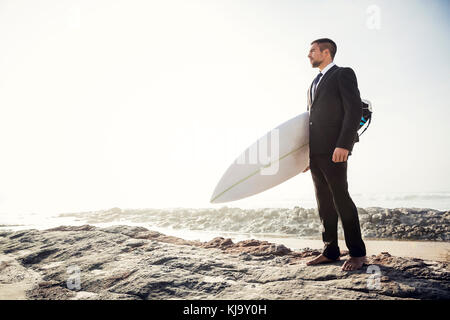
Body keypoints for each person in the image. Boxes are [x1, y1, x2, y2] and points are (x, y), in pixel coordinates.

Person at [302, 38, 366, 271]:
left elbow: (354, 109)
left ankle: (358, 254)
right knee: (324, 202)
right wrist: (304, 156)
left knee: (341, 199)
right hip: (316, 153)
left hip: (336, 149)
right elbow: (309, 123)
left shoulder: (342, 74)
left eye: (312, 51)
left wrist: (344, 145)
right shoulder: (312, 83)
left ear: (326, 52)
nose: (308, 55)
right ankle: (330, 250)